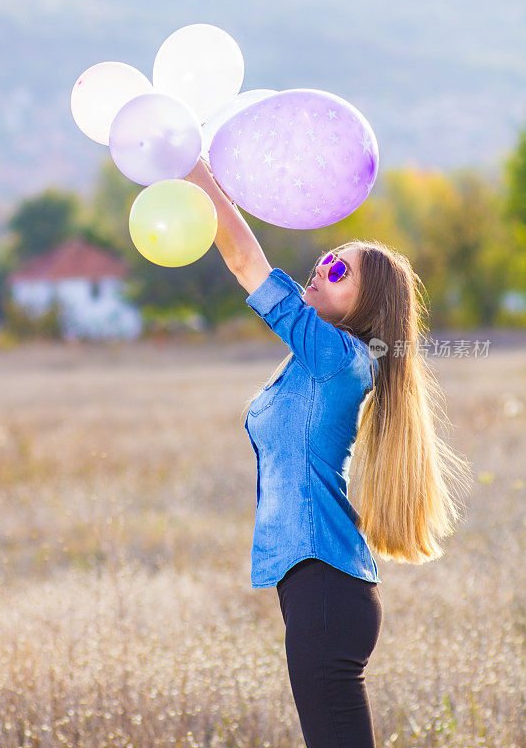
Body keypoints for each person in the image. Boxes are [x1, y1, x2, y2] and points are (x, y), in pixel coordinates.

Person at [185, 157, 473, 748]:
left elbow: (245, 260)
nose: (321, 268)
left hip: (324, 586)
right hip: (317, 588)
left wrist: (192, 166)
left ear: (366, 305)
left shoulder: (338, 357)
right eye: (325, 258)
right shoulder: (319, 357)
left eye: (339, 269)